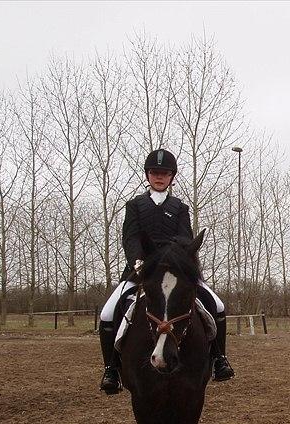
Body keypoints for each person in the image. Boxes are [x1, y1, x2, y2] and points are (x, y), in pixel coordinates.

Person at [99, 148, 234, 394]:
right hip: (142, 271)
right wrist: (138, 261)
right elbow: (130, 238)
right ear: (148, 175)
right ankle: (111, 369)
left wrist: (179, 260)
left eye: (164, 173)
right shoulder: (135, 205)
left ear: (172, 176)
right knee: (107, 315)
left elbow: (185, 238)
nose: (159, 177)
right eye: (154, 173)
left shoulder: (179, 207)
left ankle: (219, 359)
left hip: (176, 272)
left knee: (217, 306)